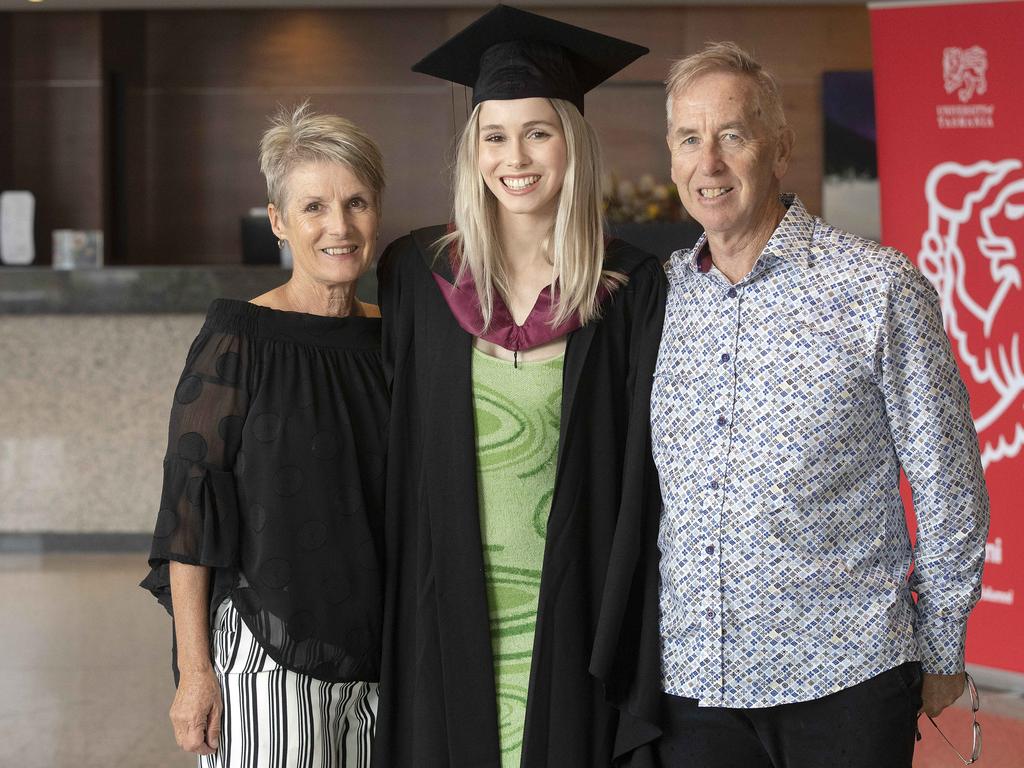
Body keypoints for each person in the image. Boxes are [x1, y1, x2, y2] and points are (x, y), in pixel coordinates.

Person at [651, 41, 990, 767]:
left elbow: (948, 478)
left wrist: (941, 646)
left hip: (846, 684)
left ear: (779, 148)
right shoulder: (658, 299)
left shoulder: (877, 287)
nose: (707, 162)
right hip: (693, 690)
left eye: (732, 135)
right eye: (688, 138)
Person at [373, 6, 666, 767]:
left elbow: (644, 471)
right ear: (473, 149)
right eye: (495, 135)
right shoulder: (417, 275)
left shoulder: (629, 287)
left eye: (539, 131)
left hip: (573, 607)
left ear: (572, 140)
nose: (517, 156)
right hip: (447, 600)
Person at [141, 103, 389, 768]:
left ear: (377, 212)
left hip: (384, 660)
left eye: (356, 202)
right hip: (267, 652)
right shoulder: (237, 339)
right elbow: (191, 515)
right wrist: (197, 674)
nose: (339, 226)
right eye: (313, 207)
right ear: (278, 221)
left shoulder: (394, 339)